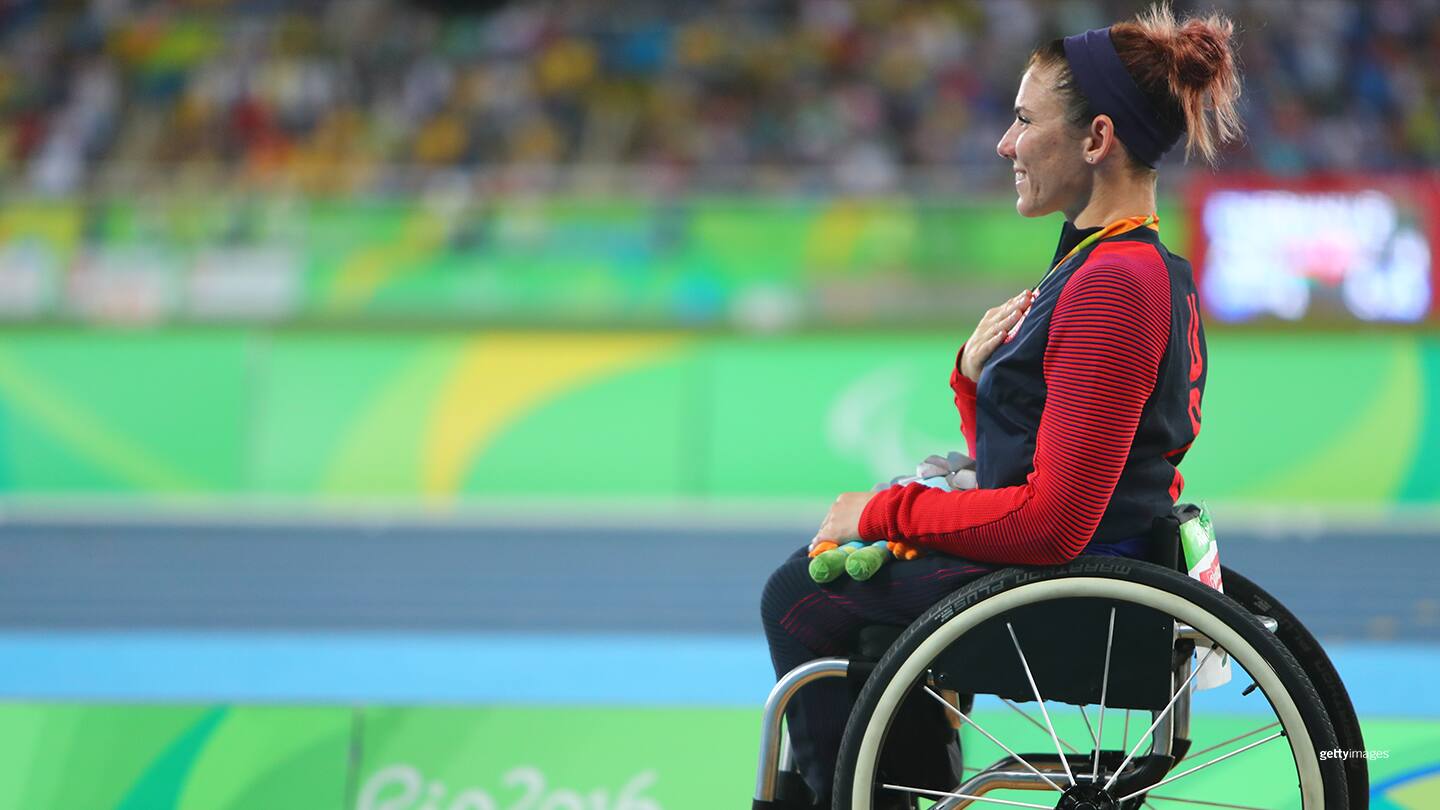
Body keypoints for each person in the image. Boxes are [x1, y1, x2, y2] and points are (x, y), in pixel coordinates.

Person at [759, 4, 1244, 807]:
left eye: (1023, 121)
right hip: (1094, 557)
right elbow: (1025, 462)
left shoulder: (1112, 287)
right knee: (855, 612)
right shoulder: (1118, 265)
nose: (1005, 144)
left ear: (1096, 139)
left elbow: (1051, 525)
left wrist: (883, 513)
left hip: (1080, 580)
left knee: (799, 597)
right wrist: (974, 383)